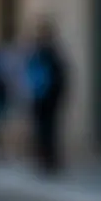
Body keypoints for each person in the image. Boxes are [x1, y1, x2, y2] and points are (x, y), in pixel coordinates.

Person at [27, 21, 68, 175]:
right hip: (43, 99)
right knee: (46, 130)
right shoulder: (45, 53)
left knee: (47, 130)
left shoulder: (45, 53)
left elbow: (59, 77)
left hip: (45, 99)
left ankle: (47, 159)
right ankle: (46, 159)